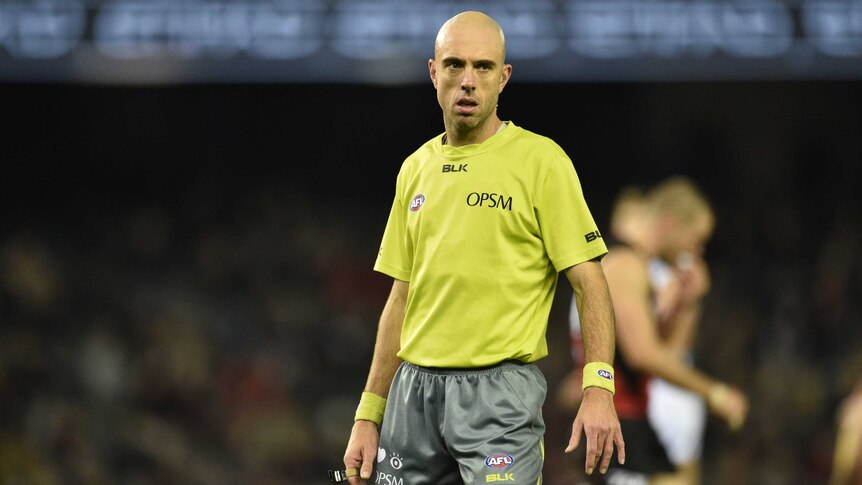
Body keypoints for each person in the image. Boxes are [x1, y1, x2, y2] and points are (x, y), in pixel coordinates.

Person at [341, 10, 624, 485]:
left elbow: (590, 282)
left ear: (503, 78)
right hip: (413, 393)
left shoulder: (542, 162)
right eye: (454, 65)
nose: (467, 81)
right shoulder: (414, 170)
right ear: (434, 73)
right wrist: (368, 415)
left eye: (483, 67)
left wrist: (598, 388)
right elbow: (401, 298)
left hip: (500, 394)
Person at [561, 177, 748, 484]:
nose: (697, 251)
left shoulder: (636, 268)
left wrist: (687, 304)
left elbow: (668, 354)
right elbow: (642, 354)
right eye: (695, 239)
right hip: (615, 420)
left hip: (630, 420)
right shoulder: (625, 266)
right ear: (668, 224)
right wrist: (715, 393)